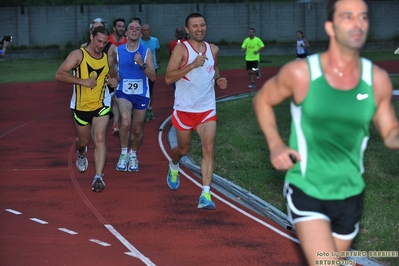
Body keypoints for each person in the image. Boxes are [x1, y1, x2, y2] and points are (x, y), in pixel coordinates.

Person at [253, 0, 399, 264]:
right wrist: (275, 144)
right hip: (307, 188)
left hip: (351, 192)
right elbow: (263, 99)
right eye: (348, 16)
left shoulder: (376, 79)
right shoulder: (301, 73)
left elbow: (390, 132)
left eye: (364, 17)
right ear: (330, 27)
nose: (358, 23)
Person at [165, 13, 228, 210]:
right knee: (182, 150)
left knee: (208, 149)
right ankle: (174, 165)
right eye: (195, 26)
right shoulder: (181, 50)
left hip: (207, 109)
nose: (199, 28)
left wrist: (218, 79)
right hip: (184, 110)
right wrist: (192, 65)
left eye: (202, 25)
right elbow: (168, 78)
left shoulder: (213, 49)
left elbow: (214, 67)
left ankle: (205, 194)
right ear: (188, 30)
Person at [55, 26, 118, 193]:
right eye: (98, 41)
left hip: (101, 106)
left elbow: (113, 75)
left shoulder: (107, 58)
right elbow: (60, 74)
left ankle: (98, 176)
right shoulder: (78, 55)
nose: (100, 45)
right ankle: (81, 153)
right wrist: (82, 81)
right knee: (83, 142)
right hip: (81, 107)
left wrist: (113, 82)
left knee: (100, 138)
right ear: (91, 36)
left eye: (104, 43)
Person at [108, 21, 156, 173]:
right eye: (131, 29)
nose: (134, 31)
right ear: (126, 33)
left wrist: (142, 64)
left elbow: (153, 77)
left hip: (142, 94)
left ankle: (133, 154)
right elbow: (110, 68)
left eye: (137, 29)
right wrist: (113, 77)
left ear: (141, 34)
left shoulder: (146, 51)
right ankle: (123, 154)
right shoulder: (117, 50)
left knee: (137, 128)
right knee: (126, 123)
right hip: (124, 93)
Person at [109, 18, 128, 136]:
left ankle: (116, 124)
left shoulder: (127, 41)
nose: (121, 28)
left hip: (122, 73)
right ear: (114, 28)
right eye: (119, 26)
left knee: (117, 99)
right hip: (108, 71)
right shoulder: (108, 40)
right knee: (112, 99)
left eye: (122, 26)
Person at [139, 23, 161, 121]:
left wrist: (158, 61)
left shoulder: (155, 40)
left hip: (152, 68)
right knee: (142, 89)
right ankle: (140, 109)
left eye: (148, 30)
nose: (146, 32)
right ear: (141, 32)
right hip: (140, 68)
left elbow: (158, 50)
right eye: (144, 30)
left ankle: (149, 108)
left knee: (150, 89)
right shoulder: (138, 41)